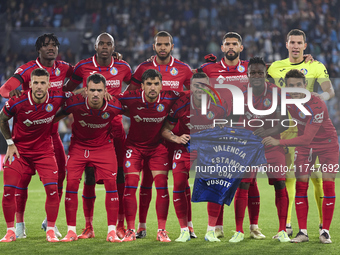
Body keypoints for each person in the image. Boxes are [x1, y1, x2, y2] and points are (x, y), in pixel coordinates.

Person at [0, 33, 74, 238]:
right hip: (27, 132)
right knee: (21, 182)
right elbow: (5, 89)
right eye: (46, 45)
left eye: (54, 45)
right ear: (38, 49)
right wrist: (12, 93)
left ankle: (49, 223)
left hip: (50, 134)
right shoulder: (26, 70)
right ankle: (20, 225)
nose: (51, 48)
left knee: (59, 178)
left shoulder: (64, 67)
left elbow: (84, 74)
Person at [63, 32, 132, 239]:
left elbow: (136, 88)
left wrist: (118, 99)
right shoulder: (83, 67)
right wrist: (80, 93)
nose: (104, 46)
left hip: (115, 125)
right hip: (89, 128)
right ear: (95, 46)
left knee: (119, 175)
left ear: (113, 47)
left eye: (108, 44)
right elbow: (67, 91)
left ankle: (119, 225)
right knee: (89, 176)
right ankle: (88, 226)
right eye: (101, 43)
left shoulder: (124, 67)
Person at [267, 29, 335, 236]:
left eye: (299, 43)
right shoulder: (276, 67)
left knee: (316, 178)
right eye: (292, 42)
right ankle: (288, 224)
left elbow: (329, 91)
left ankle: (323, 226)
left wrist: (319, 95)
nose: (295, 46)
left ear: (305, 46)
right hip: (286, 128)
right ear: (286, 44)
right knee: (289, 177)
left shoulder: (315, 65)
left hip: (310, 128)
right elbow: (263, 85)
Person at [127, 31, 195, 239]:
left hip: (175, 134)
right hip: (151, 136)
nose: (163, 47)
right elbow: (131, 94)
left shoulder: (183, 69)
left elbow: (194, 95)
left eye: (166, 44)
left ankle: (188, 226)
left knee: (181, 183)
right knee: (147, 182)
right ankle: (141, 226)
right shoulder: (143, 69)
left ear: (172, 46)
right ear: (154, 46)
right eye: (159, 44)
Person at [199, 32, 259, 239]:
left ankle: (246, 228)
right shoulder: (208, 69)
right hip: (219, 133)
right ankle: (217, 227)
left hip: (247, 133)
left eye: (235, 44)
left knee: (247, 181)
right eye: (227, 44)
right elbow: (189, 80)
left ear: (241, 48)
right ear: (222, 48)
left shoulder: (251, 68)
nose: (231, 47)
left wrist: (305, 58)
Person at [161, 72, 230, 242]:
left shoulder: (218, 107)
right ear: (190, 87)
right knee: (178, 183)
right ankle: (184, 230)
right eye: (196, 85)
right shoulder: (180, 105)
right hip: (185, 149)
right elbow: (164, 130)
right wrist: (176, 138)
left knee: (214, 185)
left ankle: (211, 231)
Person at [56, 73, 124, 242]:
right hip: (79, 147)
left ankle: (112, 231)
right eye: (92, 90)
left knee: (111, 185)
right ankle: (71, 231)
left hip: (104, 147)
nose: (95, 94)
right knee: (71, 183)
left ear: (105, 91)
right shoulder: (75, 103)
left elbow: (138, 112)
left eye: (99, 90)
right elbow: (54, 116)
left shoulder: (114, 105)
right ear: (85, 90)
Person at [228, 57, 290, 243]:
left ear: (265, 74)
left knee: (280, 183)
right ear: (247, 74)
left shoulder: (277, 93)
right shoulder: (240, 93)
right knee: (243, 184)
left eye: (259, 72)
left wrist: (268, 132)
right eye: (252, 72)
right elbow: (232, 120)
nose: (256, 75)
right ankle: (239, 230)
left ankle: (282, 231)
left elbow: (284, 122)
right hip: (248, 147)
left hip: (272, 143)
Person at [118, 69, 181, 242]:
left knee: (161, 185)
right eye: (148, 84)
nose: (152, 87)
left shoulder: (170, 96)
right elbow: (112, 100)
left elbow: (190, 95)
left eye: (156, 84)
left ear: (161, 85)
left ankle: (162, 230)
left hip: (156, 148)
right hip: (134, 147)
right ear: (142, 86)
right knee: (130, 185)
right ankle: (130, 230)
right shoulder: (131, 97)